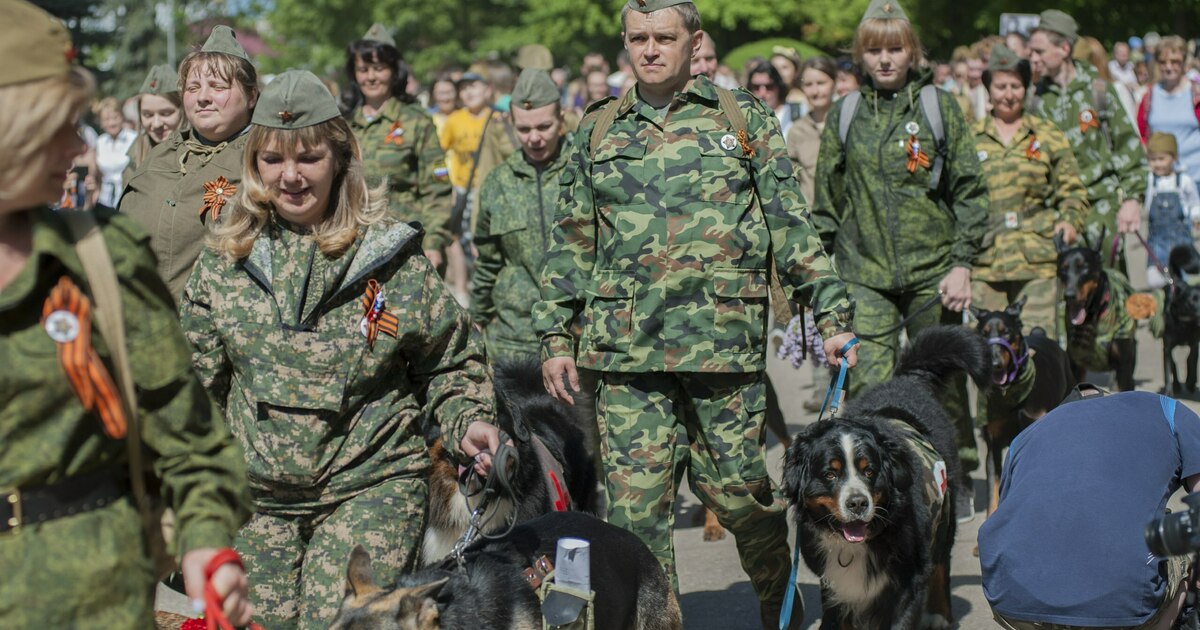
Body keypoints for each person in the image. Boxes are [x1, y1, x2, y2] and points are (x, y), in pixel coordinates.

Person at [533, 2, 857, 627]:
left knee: (742, 499)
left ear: (694, 41)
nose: (650, 49)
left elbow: (790, 226)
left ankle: (781, 609)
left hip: (723, 349)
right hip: (625, 354)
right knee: (635, 518)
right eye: (638, 38)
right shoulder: (598, 129)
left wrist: (832, 316)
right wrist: (554, 335)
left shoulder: (742, 119)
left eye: (664, 37)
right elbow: (571, 242)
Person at [179, 70, 502, 629]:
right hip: (258, 499)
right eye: (272, 160)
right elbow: (190, 388)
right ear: (253, 165)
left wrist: (467, 417)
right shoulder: (224, 261)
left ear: (340, 159)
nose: (291, 177)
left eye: (308, 158)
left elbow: (450, 359)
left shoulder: (388, 257)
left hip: (368, 486)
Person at [0, 1, 253, 626]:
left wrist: (205, 540)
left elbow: (188, 437)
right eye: (59, 124)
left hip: (91, 593)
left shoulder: (97, 255)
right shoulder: (160, 164)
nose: (81, 145)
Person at [811, 0, 988, 518]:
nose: (885, 60)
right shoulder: (845, 114)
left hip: (935, 271)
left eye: (895, 49)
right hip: (864, 274)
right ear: (860, 56)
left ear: (912, 52)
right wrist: (818, 283)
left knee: (942, 381)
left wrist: (963, 263)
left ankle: (957, 475)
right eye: (874, 50)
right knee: (867, 387)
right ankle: (885, 490)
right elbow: (825, 204)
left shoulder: (938, 106)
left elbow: (971, 191)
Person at [979, 385, 1200, 630]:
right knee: (1176, 545)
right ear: (1108, 396)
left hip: (1013, 604)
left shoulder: (1025, 437)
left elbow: (1012, 515)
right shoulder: (1166, 409)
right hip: (1126, 607)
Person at [119, 25, 259, 301]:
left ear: (252, 96)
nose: (203, 97)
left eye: (218, 87)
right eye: (193, 87)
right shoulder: (162, 154)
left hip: (209, 333)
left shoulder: (265, 157)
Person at [971, 44, 1088, 336]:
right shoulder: (970, 138)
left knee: (1039, 344)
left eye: (1016, 86)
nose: (1008, 94)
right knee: (989, 351)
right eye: (1000, 86)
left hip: (1037, 258)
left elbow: (1072, 190)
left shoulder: (1047, 135)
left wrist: (1069, 221)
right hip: (986, 260)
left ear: (1027, 88)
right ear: (988, 89)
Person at [1027, 10, 1147, 269]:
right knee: (1065, 295)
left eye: (1039, 51)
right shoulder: (1035, 100)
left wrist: (1132, 200)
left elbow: (1129, 147)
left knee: (1108, 291)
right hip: (1056, 210)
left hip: (1100, 206)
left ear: (1064, 49)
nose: (1032, 58)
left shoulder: (1098, 90)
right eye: (1031, 51)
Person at [470, 69, 571, 362]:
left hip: (577, 334)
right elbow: (488, 261)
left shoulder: (583, 171)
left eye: (544, 127)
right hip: (515, 337)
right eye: (524, 130)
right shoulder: (498, 182)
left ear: (561, 120)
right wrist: (475, 318)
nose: (535, 138)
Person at [342, 24, 455, 270]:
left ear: (394, 72)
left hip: (407, 244)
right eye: (363, 69)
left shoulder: (416, 120)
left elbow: (438, 188)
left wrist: (435, 242)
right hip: (353, 245)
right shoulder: (344, 124)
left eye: (379, 68)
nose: (371, 77)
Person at [1138, 36, 1200, 179]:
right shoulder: (1149, 96)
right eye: (1163, 62)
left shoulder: (1195, 94)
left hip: (1195, 176)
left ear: (1184, 62)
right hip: (1162, 179)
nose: (1169, 66)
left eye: (1175, 61)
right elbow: (1142, 136)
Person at [1144, 132, 1200, 288]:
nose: (1157, 164)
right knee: (1156, 277)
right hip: (1157, 239)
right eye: (1152, 159)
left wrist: (1196, 217)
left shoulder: (1183, 180)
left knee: (1183, 275)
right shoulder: (1149, 181)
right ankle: (1164, 301)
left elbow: (1194, 202)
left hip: (1180, 237)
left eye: (1161, 159)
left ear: (1173, 158)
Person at [786, 56, 836, 205]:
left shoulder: (848, 123)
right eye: (808, 84)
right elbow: (791, 181)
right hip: (811, 218)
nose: (815, 91)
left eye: (821, 83)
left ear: (834, 83)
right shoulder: (797, 131)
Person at [126, 64, 185, 179]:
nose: (156, 124)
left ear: (183, 110)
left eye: (166, 113)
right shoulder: (136, 153)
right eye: (148, 115)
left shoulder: (199, 152)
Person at [93, 96, 138, 209]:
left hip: (127, 197)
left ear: (122, 117)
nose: (111, 123)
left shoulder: (134, 139)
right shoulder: (100, 142)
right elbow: (97, 176)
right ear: (101, 123)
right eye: (106, 120)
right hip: (104, 200)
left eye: (115, 117)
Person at [746, 60, 802, 137]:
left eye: (769, 87)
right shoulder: (744, 116)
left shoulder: (799, 112)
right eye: (756, 87)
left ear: (778, 86)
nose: (762, 93)